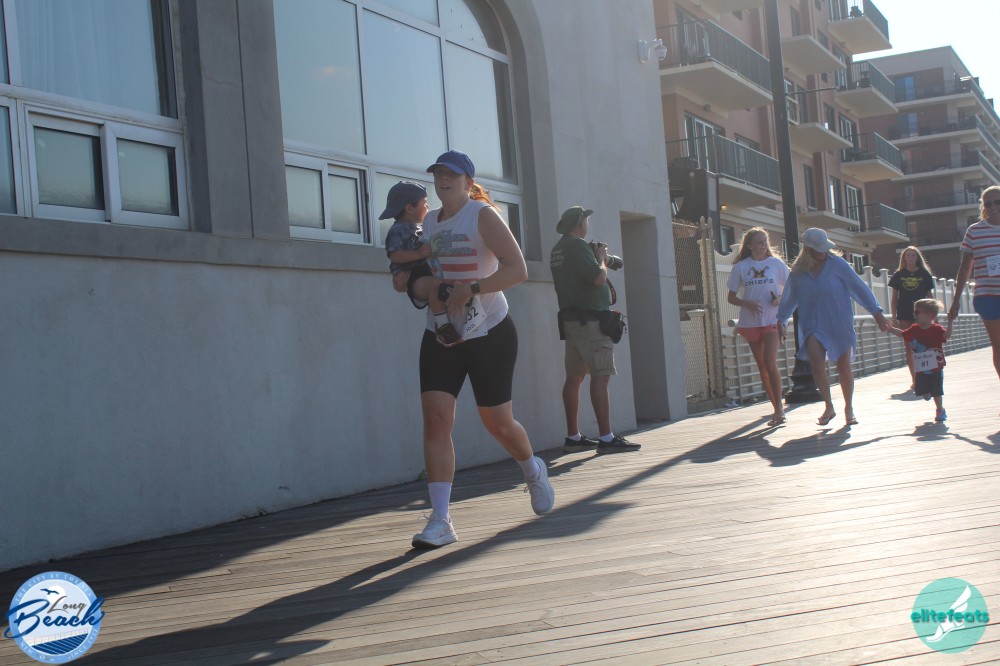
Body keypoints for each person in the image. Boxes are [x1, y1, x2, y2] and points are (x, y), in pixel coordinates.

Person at [407, 150, 554, 549]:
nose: (443, 179)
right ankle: (440, 520)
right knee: (436, 420)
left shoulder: (482, 216)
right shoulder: (430, 222)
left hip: (489, 330)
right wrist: (418, 286)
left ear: (468, 182)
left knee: (497, 424)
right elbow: (422, 275)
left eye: (452, 174)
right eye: (438, 173)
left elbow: (518, 270)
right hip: (442, 332)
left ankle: (532, 470)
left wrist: (470, 289)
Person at [550, 206, 641, 454]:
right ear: (580, 223)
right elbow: (598, 278)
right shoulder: (577, 246)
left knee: (574, 377)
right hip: (591, 323)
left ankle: (573, 437)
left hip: (571, 321)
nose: (587, 224)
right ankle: (606, 438)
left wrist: (597, 258)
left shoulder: (558, 248)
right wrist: (600, 258)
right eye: (586, 220)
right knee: (600, 376)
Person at [777, 228, 889, 425]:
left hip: (839, 320)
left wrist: (876, 312)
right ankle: (829, 405)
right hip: (813, 323)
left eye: (825, 248)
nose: (824, 252)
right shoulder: (798, 272)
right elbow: (789, 297)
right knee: (817, 364)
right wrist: (782, 320)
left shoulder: (838, 264)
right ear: (809, 249)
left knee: (843, 366)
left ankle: (849, 408)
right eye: (819, 249)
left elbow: (859, 288)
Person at [381, 181, 461, 345]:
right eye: (424, 203)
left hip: (425, 270)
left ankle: (448, 316)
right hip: (412, 274)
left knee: (440, 287)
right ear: (409, 208)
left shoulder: (420, 227)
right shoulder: (398, 230)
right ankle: (443, 326)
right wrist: (418, 253)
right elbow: (395, 255)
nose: (428, 206)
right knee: (435, 286)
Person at [726, 227, 790, 427]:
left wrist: (779, 299)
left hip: (773, 319)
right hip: (751, 321)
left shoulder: (776, 264)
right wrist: (747, 303)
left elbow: (791, 289)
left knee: (770, 361)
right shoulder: (741, 267)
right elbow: (731, 297)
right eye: (759, 242)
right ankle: (775, 407)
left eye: (765, 241)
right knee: (762, 365)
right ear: (749, 245)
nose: (763, 245)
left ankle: (780, 410)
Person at [948, 185, 1000, 389]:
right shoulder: (975, 231)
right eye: (989, 204)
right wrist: (956, 301)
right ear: (983, 207)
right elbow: (965, 268)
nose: (993, 207)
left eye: (997, 202)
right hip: (987, 295)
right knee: (998, 345)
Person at [886, 298, 953, 421]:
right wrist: (891, 330)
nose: (914, 314)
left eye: (917, 312)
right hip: (921, 367)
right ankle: (927, 391)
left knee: (937, 391)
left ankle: (940, 410)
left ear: (929, 315)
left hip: (936, 366)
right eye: (914, 312)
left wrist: (950, 321)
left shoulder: (937, 329)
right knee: (923, 391)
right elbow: (903, 334)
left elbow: (947, 335)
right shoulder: (914, 329)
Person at [888, 246, 935, 390]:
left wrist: (933, 315)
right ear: (904, 258)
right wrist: (894, 317)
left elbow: (930, 296)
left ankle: (926, 375)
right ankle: (915, 379)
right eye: (907, 255)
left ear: (917, 258)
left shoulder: (924, 274)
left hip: (921, 314)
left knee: (923, 345)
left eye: (913, 255)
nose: (910, 258)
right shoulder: (898, 275)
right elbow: (894, 297)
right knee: (909, 346)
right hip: (904, 313)